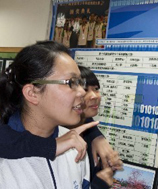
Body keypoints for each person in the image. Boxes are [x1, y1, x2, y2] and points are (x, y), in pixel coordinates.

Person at [0, 41, 120, 188]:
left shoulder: (75, 146)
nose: (83, 92)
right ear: (32, 93)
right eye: (71, 82)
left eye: (79, 82)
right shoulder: (5, 162)